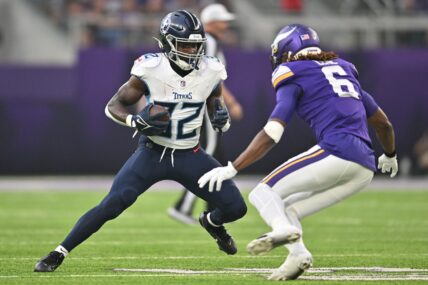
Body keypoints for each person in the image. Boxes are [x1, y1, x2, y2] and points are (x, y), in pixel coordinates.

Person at [34, 10, 247, 273]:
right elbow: (114, 105)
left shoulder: (211, 70)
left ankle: (212, 222)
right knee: (113, 204)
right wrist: (134, 122)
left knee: (236, 207)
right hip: (152, 152)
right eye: (186, 45)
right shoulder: (150, 68)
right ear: (168, 44)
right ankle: (59, 252)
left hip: (190, 154)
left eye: (196, 45)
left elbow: (217, 106)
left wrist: (221, 118)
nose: (192, 51)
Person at [198, 24, 398, 280]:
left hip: (337, 151)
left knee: (262, 192)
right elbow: (384, 123)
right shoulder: (343, 69)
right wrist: (390, 154)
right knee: (288, 208)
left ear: (287, 52)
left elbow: (273, 132)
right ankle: (299, 256)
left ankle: (280, 231)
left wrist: (233, 167)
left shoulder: (291, 71)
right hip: (364, 167)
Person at [168, 3, 244, 225]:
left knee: (216, 158)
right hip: (203, 105)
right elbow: (209, 76)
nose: (226, 24)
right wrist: (229, 103)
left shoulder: (210, 42)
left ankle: (214, 207)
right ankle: (183, 206)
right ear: (210, 22)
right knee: (207, 153)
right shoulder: (207, 42)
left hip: (199, 102)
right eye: (222, 20)